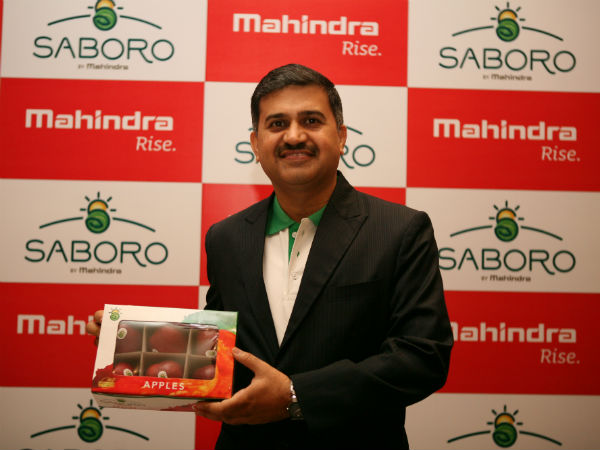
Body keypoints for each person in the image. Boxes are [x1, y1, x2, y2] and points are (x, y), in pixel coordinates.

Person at [88, 63, 453, 450]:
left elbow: (421, 357)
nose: (294, 136)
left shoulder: (399, 230)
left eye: (311, 120)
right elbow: (223, 355)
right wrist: (135, 348)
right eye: (277, 124)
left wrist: (296, 395)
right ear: (256, 143)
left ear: (341, 136)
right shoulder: (226, 238)